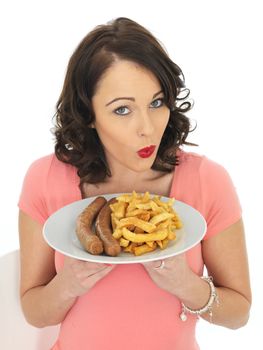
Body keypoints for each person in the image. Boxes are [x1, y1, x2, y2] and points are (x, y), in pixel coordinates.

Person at [18, 17, 251, 350]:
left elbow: (239, 314)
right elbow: (34, 312)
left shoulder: (207, 181)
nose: (148, 128)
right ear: (88, 115)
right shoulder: (45, 179)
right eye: (122, 109)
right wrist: (67, 284)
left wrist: (187, 285)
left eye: (156, 103)